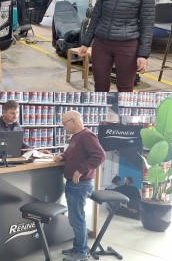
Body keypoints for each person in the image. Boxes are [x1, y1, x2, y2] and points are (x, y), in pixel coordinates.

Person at [77, 0, 155, 92]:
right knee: (100, 86)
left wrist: (143, 55)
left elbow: (147, 25)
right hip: (101, 44)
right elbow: (96, 17)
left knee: (125, 88)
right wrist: (86, 42)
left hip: (127, 46)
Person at [53, 110, 106, 261]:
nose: (64, 127)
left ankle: (82, 252)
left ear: (74, 120)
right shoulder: (76, 137)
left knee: (77, 219)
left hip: (80, 185)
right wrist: (61, 156)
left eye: (65, 123)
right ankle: (78, 247)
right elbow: (70, 154)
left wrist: (82, 169)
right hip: (74, 184)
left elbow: (100, 155)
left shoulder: (86, 135)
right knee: (75, 218)